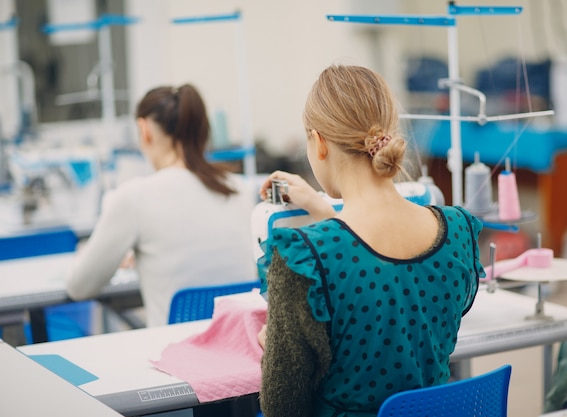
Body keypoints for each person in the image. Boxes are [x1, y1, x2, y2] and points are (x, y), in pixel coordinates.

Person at [255, 65, 485, 417]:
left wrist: (278, 348)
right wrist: (319, 205)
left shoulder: (303, 259)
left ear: (318, 144)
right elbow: (378, 269)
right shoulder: (456, 232)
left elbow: (282, 409)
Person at [66, 84, 256, 327]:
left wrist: (86, 253)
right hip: (239, 350)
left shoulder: (135, 197)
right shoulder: (240, 190)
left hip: (174, 357)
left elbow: (79, 287)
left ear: (144, 130)